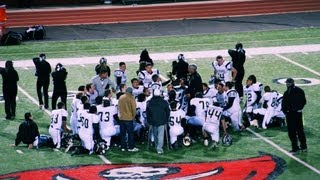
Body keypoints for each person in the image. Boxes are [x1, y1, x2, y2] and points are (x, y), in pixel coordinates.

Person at [282, 78, 307, 154]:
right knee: (297, 131)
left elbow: (303, 101)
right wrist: (286, 112)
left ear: (292, 83)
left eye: (288, 83)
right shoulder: (296, 91)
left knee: (295, 131)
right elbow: (304, 101)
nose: (287, 84)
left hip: (294, 114)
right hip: (294, 113)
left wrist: (286, 111)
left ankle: (297, 147)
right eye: (287, 83)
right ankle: (302, 146)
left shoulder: (290, 92)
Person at [146, 89, 170, 154]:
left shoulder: (150, 102)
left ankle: (157, 146)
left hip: (153, 121)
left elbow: (147, 112)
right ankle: (159, 148)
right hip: (162, 120)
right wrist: (166, 119)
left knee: (155, 134)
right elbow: (168, 111)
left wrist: (149, 120)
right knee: (160, 135)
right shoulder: (164, 102)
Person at [118, 87, 139, 152]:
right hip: (129, 118)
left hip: (121, 118)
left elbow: (118, 107)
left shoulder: (121, 97)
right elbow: (134, 109)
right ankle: (131, 147)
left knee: (123, 133)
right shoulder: (131, 98)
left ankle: (123, 147)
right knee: (130, 133)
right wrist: (133, 116)